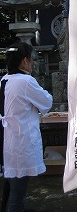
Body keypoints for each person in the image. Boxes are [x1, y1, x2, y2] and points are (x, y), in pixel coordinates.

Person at [0, 41, 53, 212]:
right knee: (17, 196)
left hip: (7, 142)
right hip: (20, 144)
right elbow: (46, 102)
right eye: (31, 59)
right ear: (24, 61)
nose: (32, 63)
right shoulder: (25, 81)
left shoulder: (4, 80)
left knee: (10, 191)